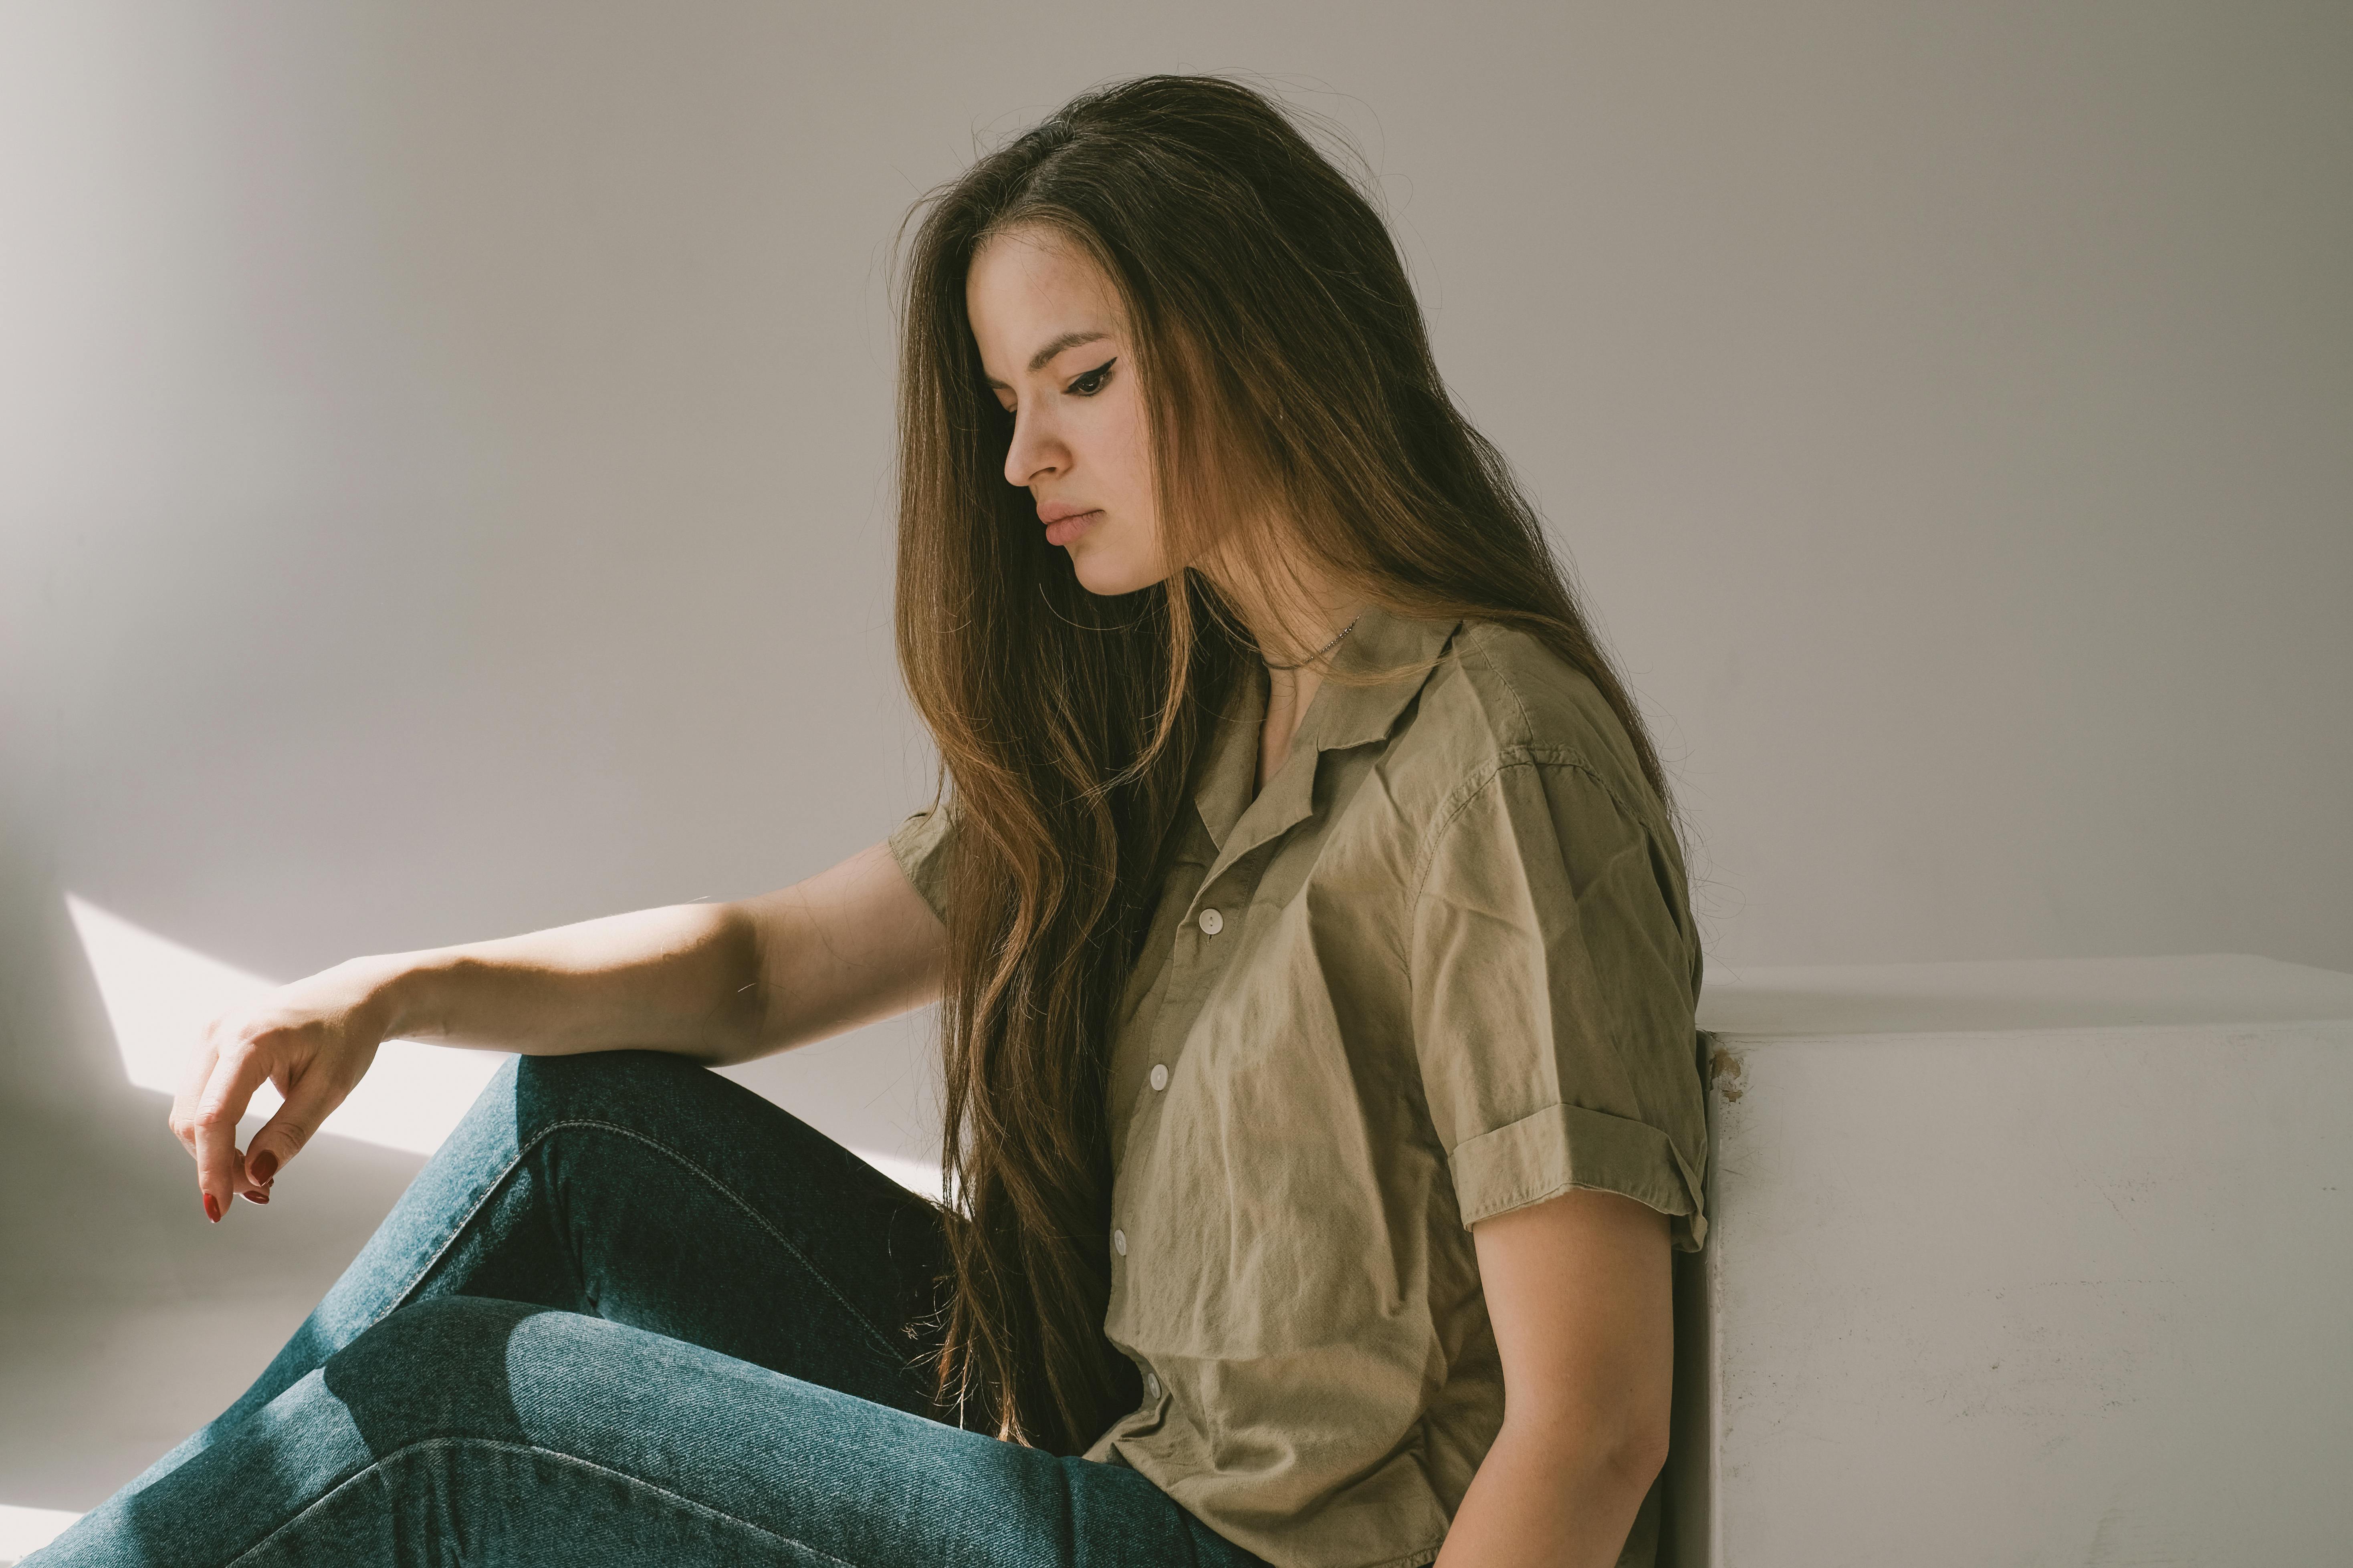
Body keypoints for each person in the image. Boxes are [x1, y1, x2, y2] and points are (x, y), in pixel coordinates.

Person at [30, 73, 1708, 1568]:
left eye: (1083, 380)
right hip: (1118, 1446)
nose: (1021, 458)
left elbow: (1592, 1422)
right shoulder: (1187, 719)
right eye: (1006, 404)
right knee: (576, 1128)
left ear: (1263, 342)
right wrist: (389, 989)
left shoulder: (1494, 760)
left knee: (452, 1410)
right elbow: (767, 969)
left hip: (1225, 1547)